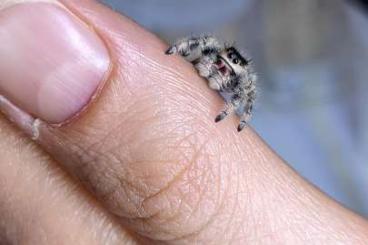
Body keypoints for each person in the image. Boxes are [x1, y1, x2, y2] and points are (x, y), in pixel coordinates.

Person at [0, 1, 367, 244]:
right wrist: (179, 56)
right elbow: (199, 49)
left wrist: (235, 116)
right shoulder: (213, 49)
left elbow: (244, 94)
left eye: (227, 67)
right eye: (221, 62)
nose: (221, 67)